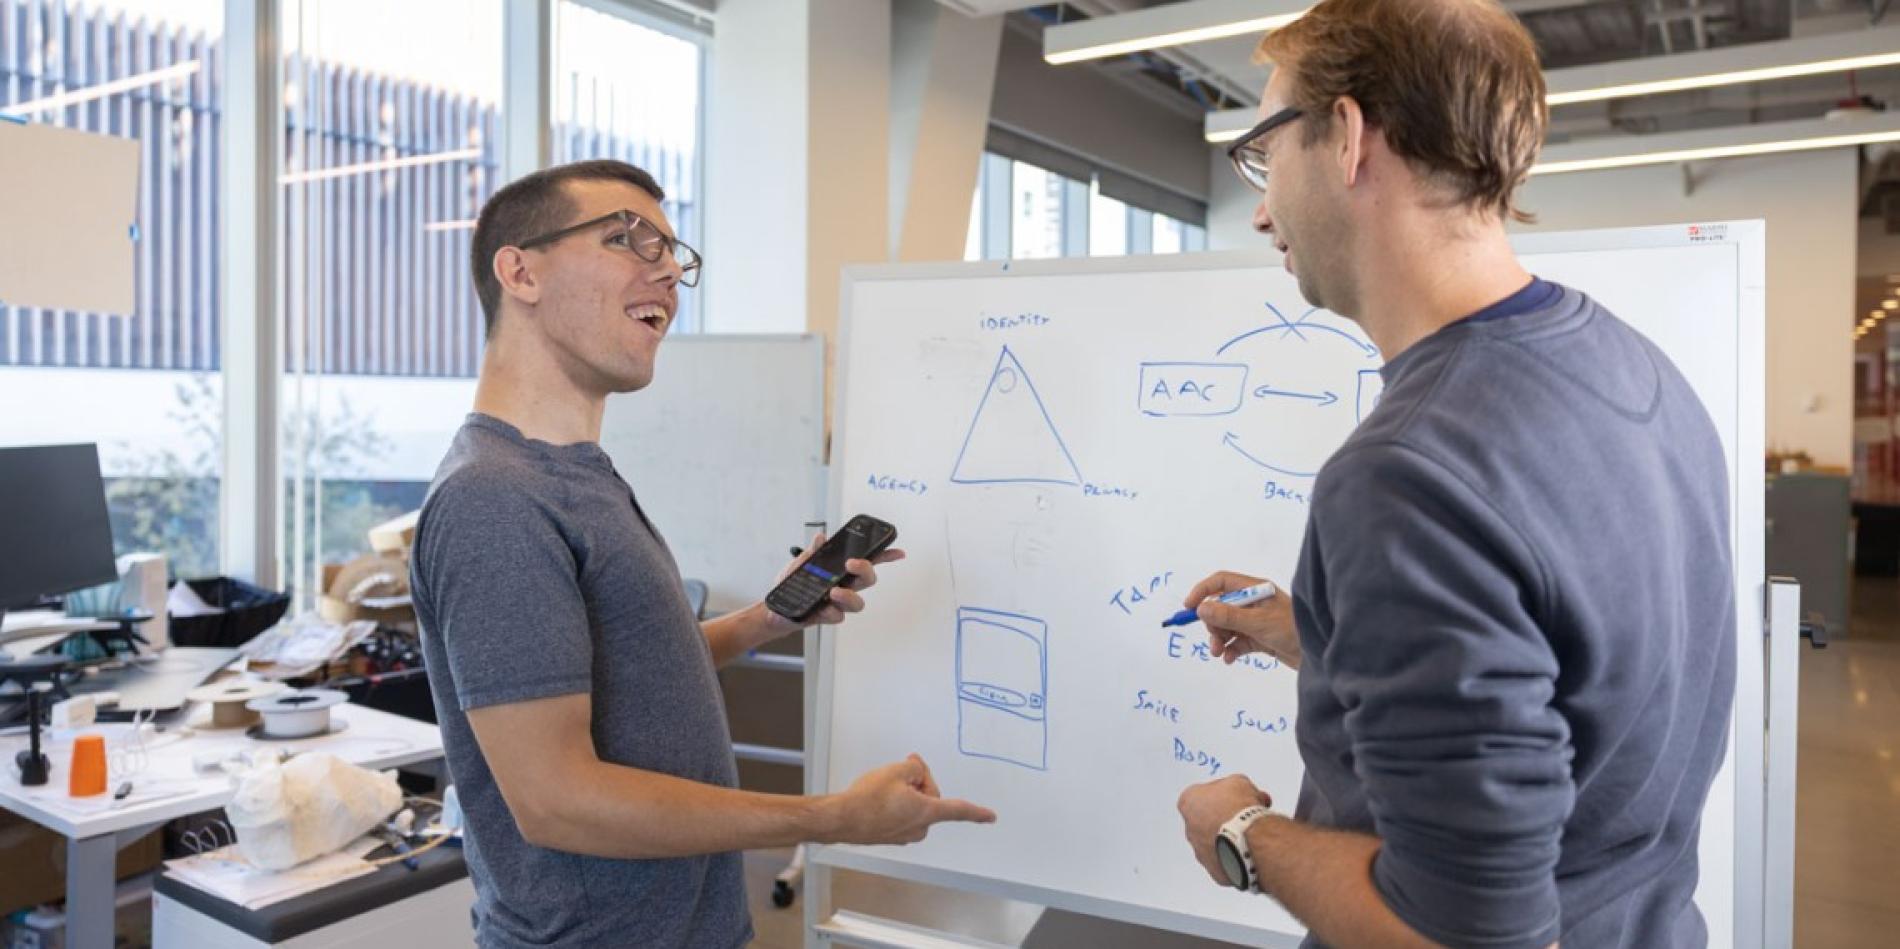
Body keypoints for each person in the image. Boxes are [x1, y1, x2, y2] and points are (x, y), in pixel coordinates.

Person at [1170, 2, 1736, 946]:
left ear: (1346, 137)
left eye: (1267, 154)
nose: (1262, 208)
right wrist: (1327, 638)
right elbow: (1573, 679)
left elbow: (1455, 933)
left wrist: (1240, 831)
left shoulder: (1407, 473)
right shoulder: (1632, 365)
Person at [411, 159, 994, 949]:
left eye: (674, 255)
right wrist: (833, 817)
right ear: (520, 270)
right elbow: (556, 798)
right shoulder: (495, 497)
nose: (666, 273)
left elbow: (629, 670)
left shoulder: (576, 474)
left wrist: (763, 619)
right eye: (628, 240)